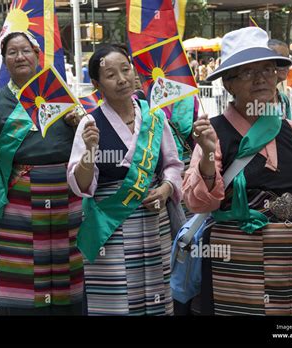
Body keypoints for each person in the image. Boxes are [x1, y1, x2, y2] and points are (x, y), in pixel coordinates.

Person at [183, 27, 292, 316]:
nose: (260, 79)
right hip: (234, 267)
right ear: (228, 84)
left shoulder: (291, 131)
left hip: (289, 266)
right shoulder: (214, 132)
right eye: (246, 73)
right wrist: (206, 154)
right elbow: (199, 203)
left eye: (267, 69)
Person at [0, 32, 84, 315]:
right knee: (25, 263)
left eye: (25, 50)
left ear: (37, 56)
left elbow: (86, 138)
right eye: (12, 52)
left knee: (68, 258)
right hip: (20, 192)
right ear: (4, 61)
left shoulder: (59, 92)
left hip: (65, 190)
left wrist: (78, 122)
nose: (20, 56)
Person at [67, 45, 184, 315]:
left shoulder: (155, 118)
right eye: (110, 75)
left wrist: (166, 189)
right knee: (116, 296)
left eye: (125, 69)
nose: (121, 79)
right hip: (111, 224)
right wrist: (89, 151)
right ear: (97, 84)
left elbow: (173, 164)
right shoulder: (89, 124)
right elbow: (82, 185)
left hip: (155, 220)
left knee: (157, 290)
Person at [267, 39, 292, 120]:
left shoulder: (284, 99)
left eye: (287, 58)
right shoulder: (254, 99)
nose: (286, 64)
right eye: (280, 60)